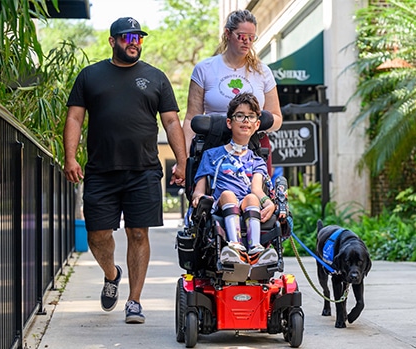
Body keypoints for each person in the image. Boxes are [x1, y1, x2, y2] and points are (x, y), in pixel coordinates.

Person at [63, 17, 186, 324]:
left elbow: (171, 121)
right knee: (98, 234)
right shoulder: (90, 76)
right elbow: (75, 118)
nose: (134, 42)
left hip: (143, 169)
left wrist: (182, 161)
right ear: (112, 41)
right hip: (101, 170)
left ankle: (134, 301)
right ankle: (111, 274)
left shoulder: (156, 78)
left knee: (138, 233)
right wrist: (70, 157)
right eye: (127, 37)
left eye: (138, 38)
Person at [183, 9, 282, 173]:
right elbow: (190, 118)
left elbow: (277, 118)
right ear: (228, 33)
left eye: (251, 38)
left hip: (254, 146)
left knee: (255, 196)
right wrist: (184, 158)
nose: (247, 42)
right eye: (242, 36)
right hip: (213, 144)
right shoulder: (205, 69)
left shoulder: (262, 71)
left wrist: (257, 121)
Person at [191, 92, 279, 266]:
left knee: (252, 197)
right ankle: (235, 246)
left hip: (248, 203)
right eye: (240, 116)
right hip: (220, 204)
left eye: (251, 116)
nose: (246, 120)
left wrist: (269, 202)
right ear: (229, 122)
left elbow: (257, 190)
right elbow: (199, 191)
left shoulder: (257, 161)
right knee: (228, 194)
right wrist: (198, 198)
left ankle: (255, 248)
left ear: (257, 124)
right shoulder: (211, 155)